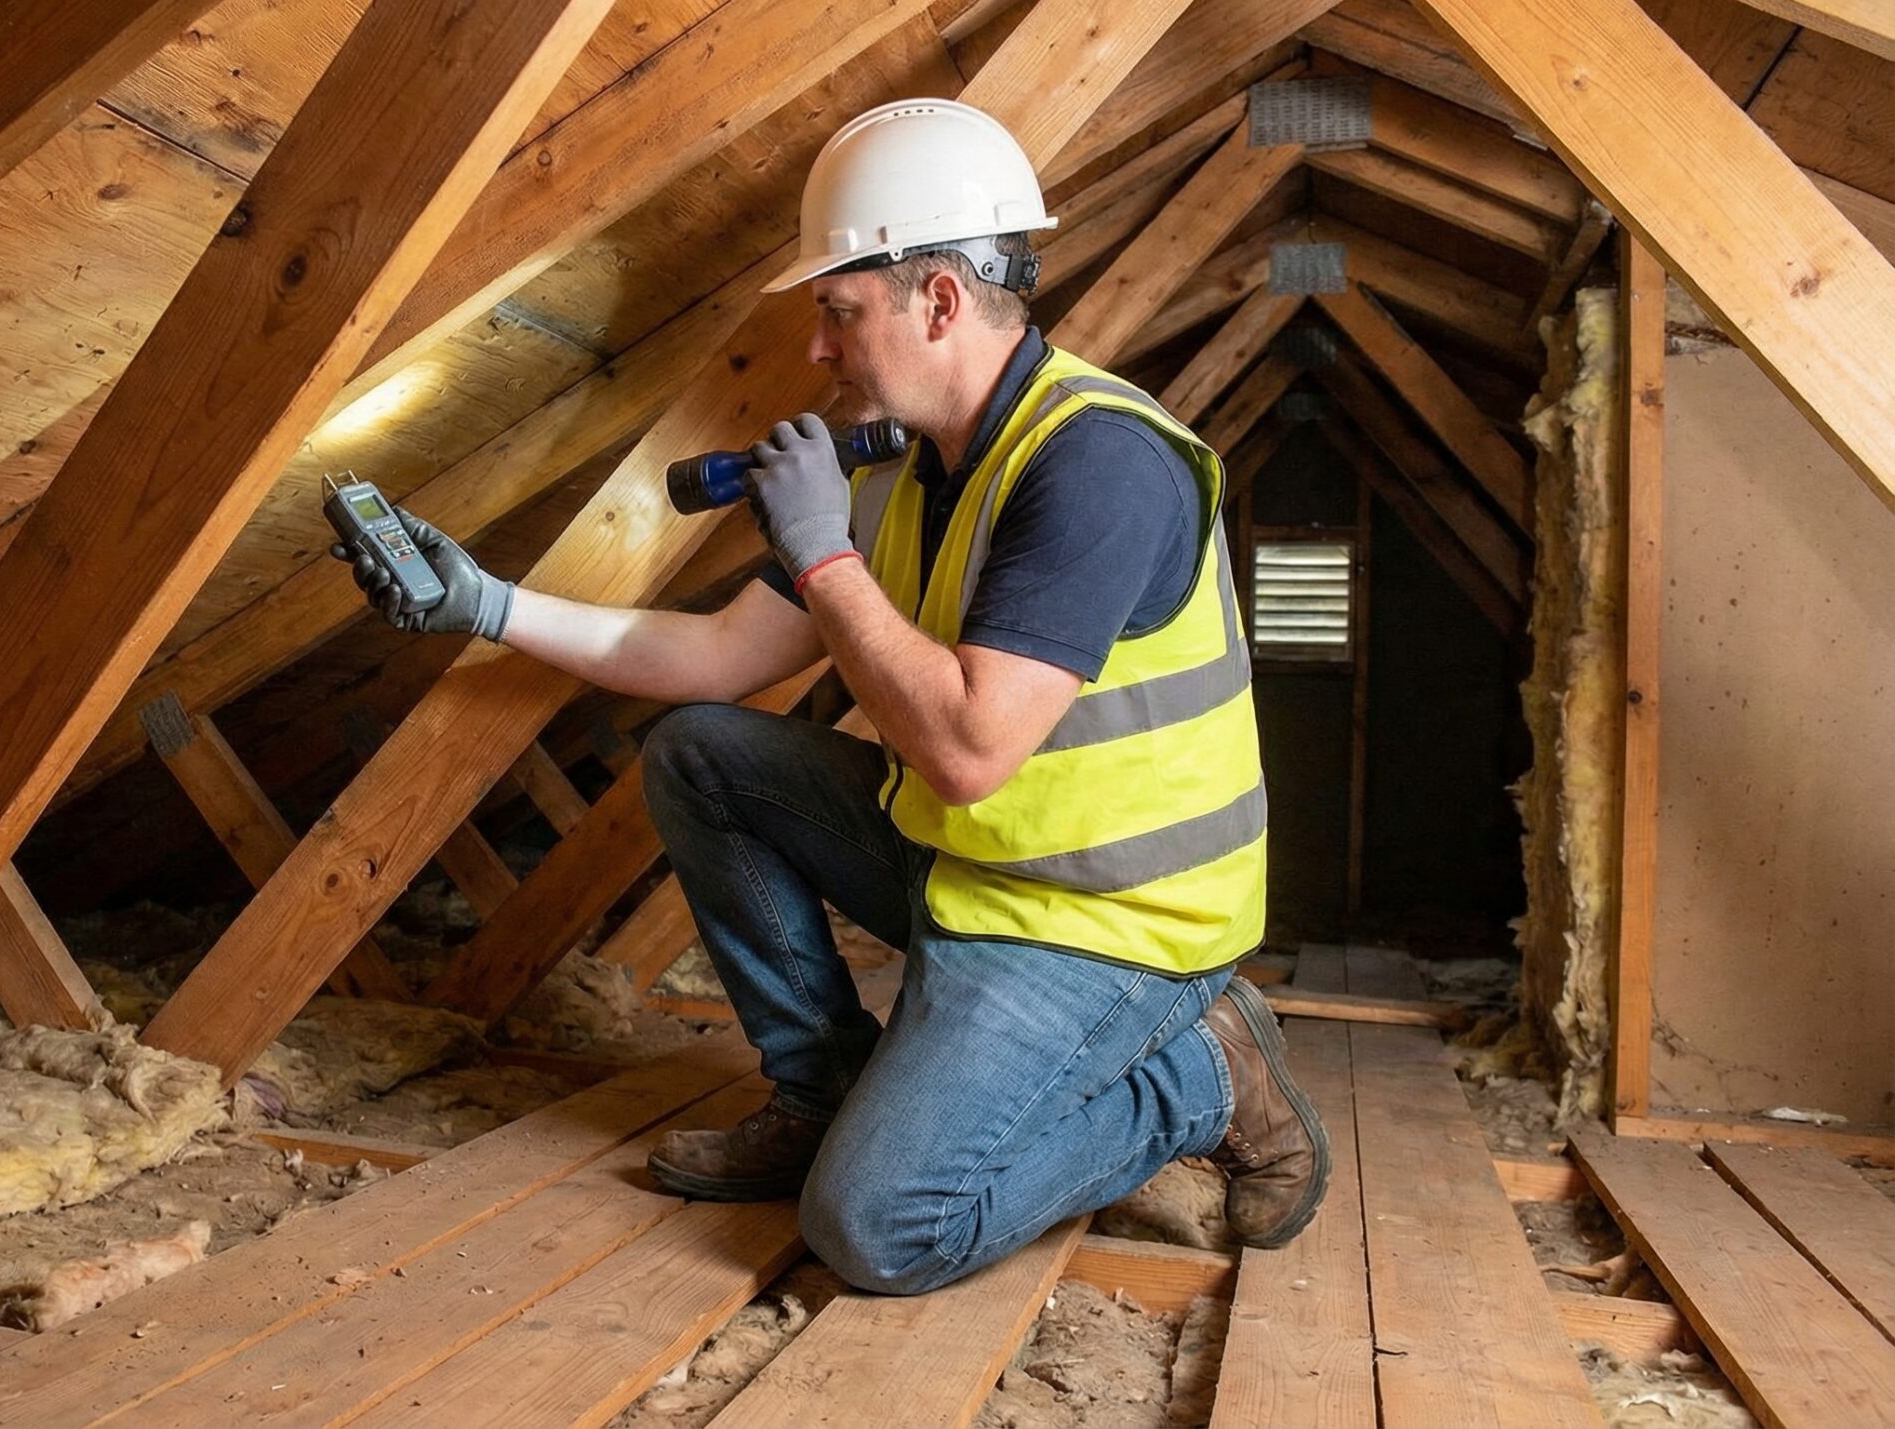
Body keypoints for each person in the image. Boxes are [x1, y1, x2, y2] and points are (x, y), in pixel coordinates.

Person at [328, 98, 1327, 1296]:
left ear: (940, 301)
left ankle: (1199, 1074)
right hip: (973, 872)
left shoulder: (1099, 467)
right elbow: (709, 659)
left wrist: (820, 555)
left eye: (839, 313)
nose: (818, 352)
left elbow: (965, 751)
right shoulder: (908, 468)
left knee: (879, 1227)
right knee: (702, 752)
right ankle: (818, 1090)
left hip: (1109, 925)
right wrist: (486, 605)